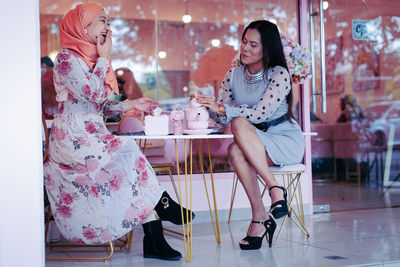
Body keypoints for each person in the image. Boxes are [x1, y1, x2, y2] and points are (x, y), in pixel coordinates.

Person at [43, 3, 194, 261]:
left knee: (129, 167)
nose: (108, 26)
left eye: (108, 21)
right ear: (83, 25)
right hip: (72, 138)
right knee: (128, 149)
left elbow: (100, 102)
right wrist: (104, 57)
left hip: (92, 134)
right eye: (102, 20)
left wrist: (131, 104)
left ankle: (155, 237)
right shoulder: (66, 59)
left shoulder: (92, 59)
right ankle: (162, 205)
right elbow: (90, 92)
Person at [197, 20, 305, 250]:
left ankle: (272, 192)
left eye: (253, 45)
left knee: (238, 124)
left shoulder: (280, 74)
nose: (245, 48)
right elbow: (222, 117)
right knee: (234, 147)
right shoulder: (232, 75)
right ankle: (261, 214)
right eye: (244, 42)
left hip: (284, 138)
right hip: (255, 140)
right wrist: (207, 106)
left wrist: (224, 110)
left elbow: (259, 113)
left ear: (268, 48)